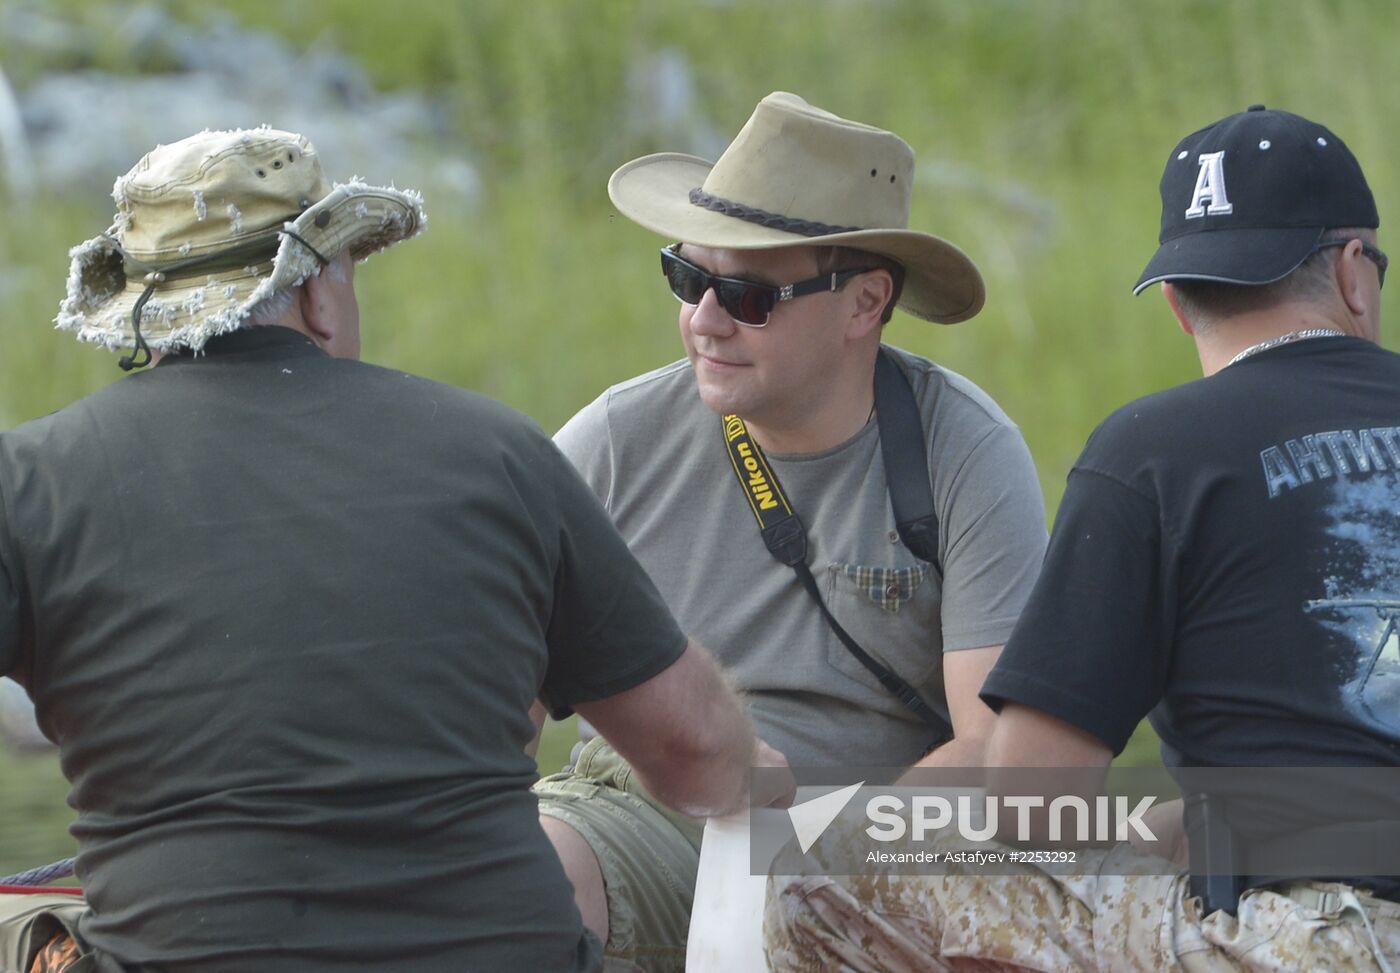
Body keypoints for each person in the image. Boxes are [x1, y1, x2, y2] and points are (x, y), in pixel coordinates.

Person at [0, 127, 761, 973]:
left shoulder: (30, 483)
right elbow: (699, 757)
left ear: (141, 316)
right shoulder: (496, 453)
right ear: (322, 294)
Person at [767, 105, 1400, 971]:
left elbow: (1031, 801)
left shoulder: (1154, 451)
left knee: (827, 871)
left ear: (1177, 303)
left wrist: (1194, 830)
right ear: (1355, 271)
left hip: (1319, 940)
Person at [532, 91, 1048, 972]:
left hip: (870, 839)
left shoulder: (964, 450)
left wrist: (824, 854)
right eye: (687, 278)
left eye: (748, 293)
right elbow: (492, 694)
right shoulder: (613, 442)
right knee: (529, 886)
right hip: (645, 812)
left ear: (865, 304)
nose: (704, 318)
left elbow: (998, 745)